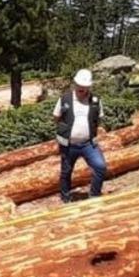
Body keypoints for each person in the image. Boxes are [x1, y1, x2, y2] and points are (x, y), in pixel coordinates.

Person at [53, 69, 107, 203]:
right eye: (79, 87)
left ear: (89, 87)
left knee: (100, 166)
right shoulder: (64, 99)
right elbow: (56, 117)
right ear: (75, 84)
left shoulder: (95, 101)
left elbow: (98, 119)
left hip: (88, 144)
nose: (81, 90)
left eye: (84, 88)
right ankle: (65, 198)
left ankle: (94, 195)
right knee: (66, 172)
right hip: (69, 144)